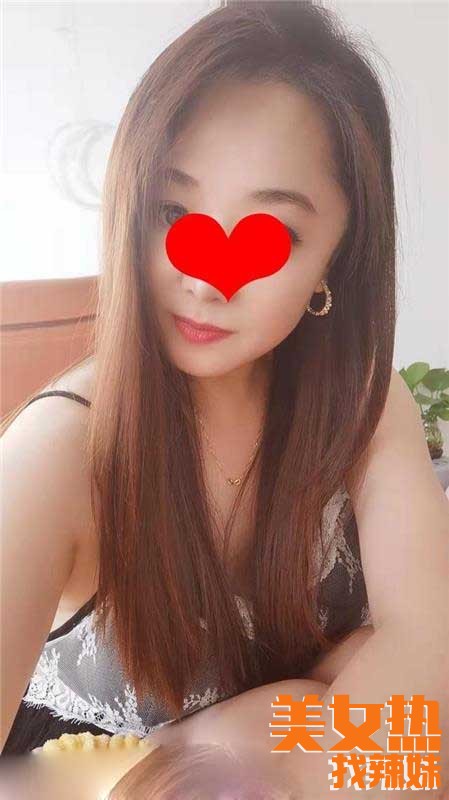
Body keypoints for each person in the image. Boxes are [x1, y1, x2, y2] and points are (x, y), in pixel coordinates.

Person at [2, 1, 448, 796]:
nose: (207, 279)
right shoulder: (59, 453)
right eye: (172, 213)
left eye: (271, 236)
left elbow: (423, 648)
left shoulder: (359, 400)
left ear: (336, 255)